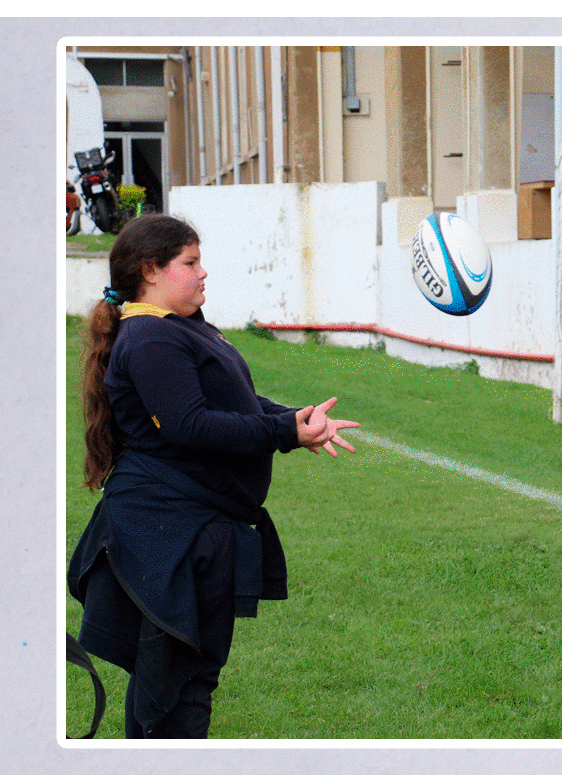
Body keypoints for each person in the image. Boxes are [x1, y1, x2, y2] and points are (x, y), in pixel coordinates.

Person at [69, 214, 363, 738]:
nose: (203, 273)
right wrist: (283, 433)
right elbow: (190, 425)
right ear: (151, 270)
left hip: (191, 526)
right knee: (178, 683)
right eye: (190, 262)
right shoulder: (150, 339)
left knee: (179, 678)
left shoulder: (183, 327)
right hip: (170, 530)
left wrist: (293, 419)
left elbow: (235, 405)